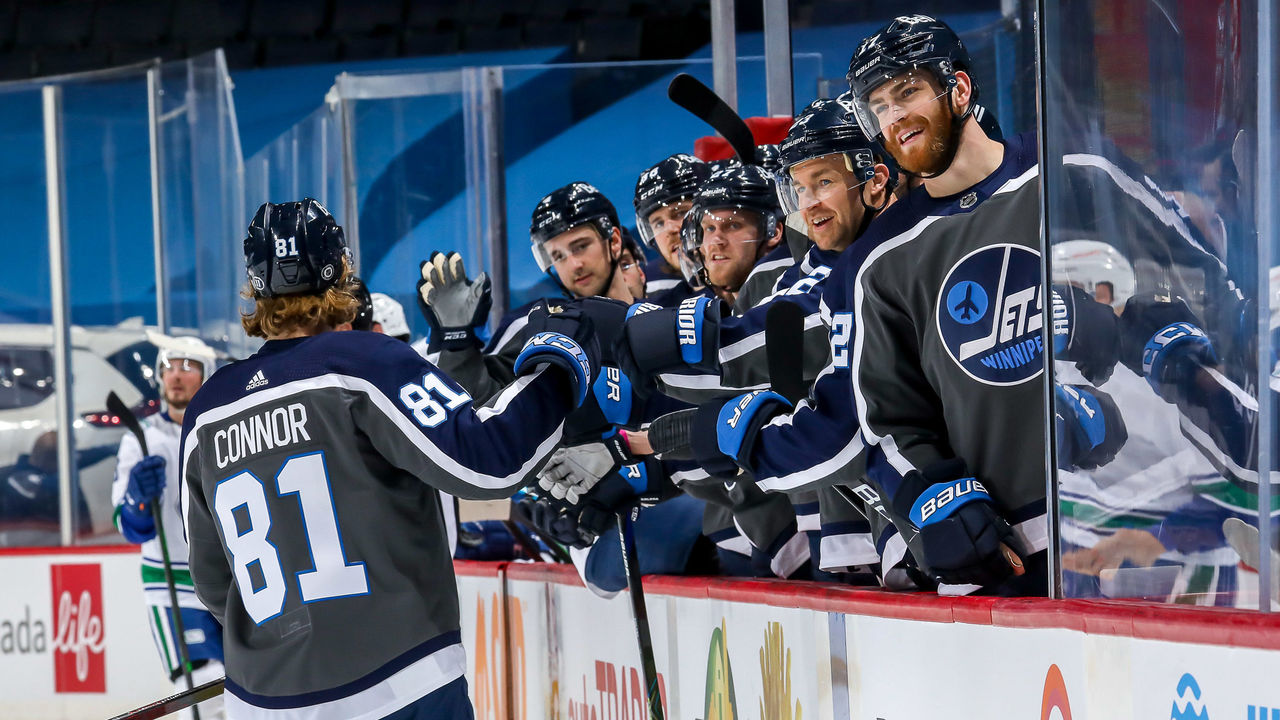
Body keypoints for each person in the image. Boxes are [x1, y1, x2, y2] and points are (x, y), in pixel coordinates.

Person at [180, 198, 601, 719]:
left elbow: (212, 579)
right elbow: (489, 461)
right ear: (341, 274)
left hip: (263, 700)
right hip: (397, 687)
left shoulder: (207, 410)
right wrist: (559, 366)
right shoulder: (365, 362)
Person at [112, 335, 225, 719]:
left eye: (187, 367)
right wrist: (137, 501)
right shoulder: (141, 439)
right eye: (169, 367)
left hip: (233, 588)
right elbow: (131, 528)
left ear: (205, 374)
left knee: (250, 694)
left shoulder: (219, 429)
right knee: (207, 698)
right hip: (172, 587)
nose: (175, 376)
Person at [633, 153, 712, 303]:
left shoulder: (755, 282)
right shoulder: (659, 310)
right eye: (658, 223)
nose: (669, 229)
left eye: (680, 212)